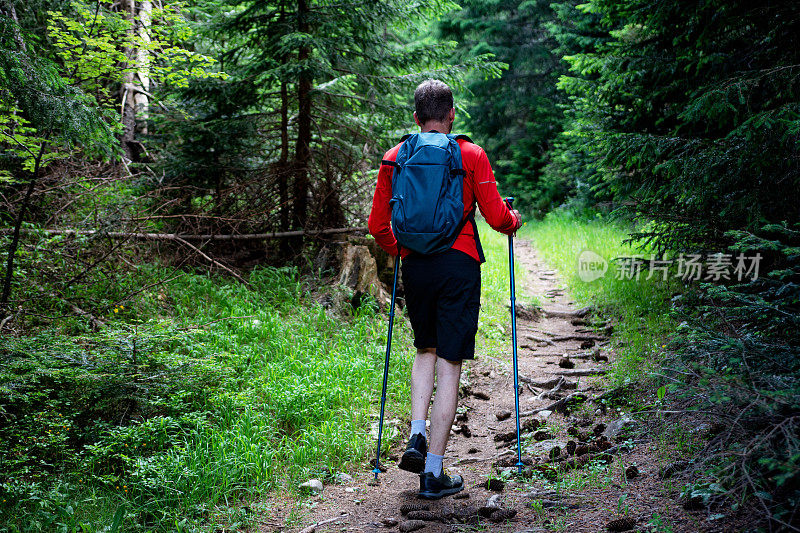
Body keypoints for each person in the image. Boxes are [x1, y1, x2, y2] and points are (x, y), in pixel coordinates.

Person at [367, 79, 522, 500]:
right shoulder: (471, 155)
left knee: (425, 350)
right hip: (459, 264)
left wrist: (404, 249)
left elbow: (377, 225)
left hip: (416, 266)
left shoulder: (395, 157)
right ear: (452, 114)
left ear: (415, 118)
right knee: (450, 361)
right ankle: (432, 472)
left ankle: (416, 434)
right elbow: (494, 215)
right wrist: (514, 221)